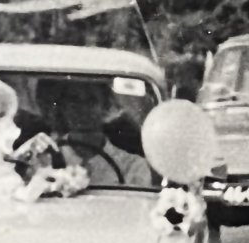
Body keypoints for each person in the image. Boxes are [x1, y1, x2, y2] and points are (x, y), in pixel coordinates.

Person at [21, 78, 153, 187]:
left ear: (104, 106)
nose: (82, 109)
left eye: (91, 100)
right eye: (74, 100)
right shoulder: (44, 157)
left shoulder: (131, 166)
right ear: (62, 107)